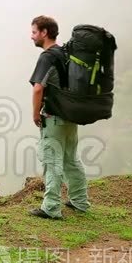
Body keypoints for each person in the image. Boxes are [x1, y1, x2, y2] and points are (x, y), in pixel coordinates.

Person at [28, 15, 90, 219]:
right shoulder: (66, 53)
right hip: (71, 116)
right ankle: (80, 201)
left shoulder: (47, 56)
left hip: (53, 117)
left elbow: (38, 89)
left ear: (45, 32)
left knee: (52, 161)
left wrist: (36, 114)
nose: (32, 37)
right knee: (71, 160)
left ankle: (51, 208)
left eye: (34, 32)